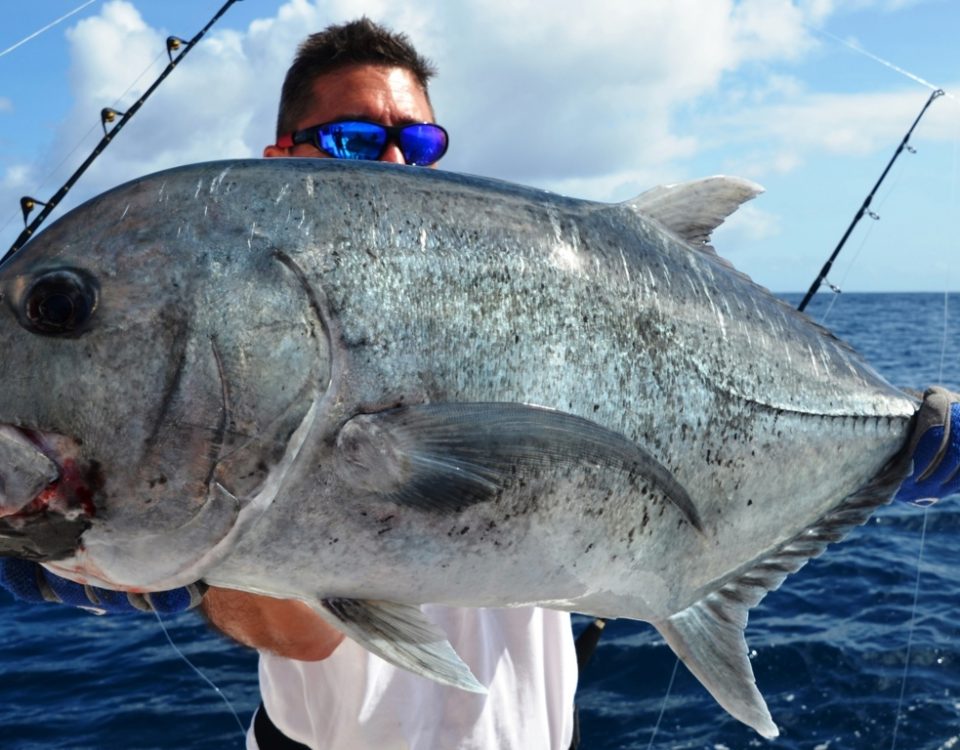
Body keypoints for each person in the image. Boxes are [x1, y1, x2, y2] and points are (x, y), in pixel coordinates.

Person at [2, 17, 960, 750]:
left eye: (415, 144)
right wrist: (189, 571)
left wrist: (883, 448)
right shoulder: (244, 330)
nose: (388, 161)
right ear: (280, 161)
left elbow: (600, 530)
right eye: (348, 140)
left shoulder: (519, 293)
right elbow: (303, 639)